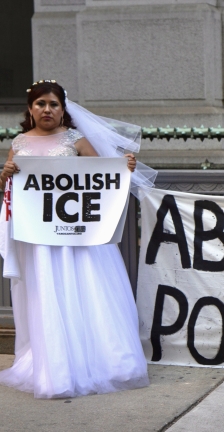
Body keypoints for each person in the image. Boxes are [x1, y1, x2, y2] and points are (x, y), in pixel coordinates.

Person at [0, 80, 156, 398]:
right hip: (37, 239)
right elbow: (11, 188)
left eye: (53, 104)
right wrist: (4, 175)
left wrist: (122, 168)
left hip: (76, 236)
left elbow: (102, 179)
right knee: (47, 293)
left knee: (84, 289)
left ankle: (101, 360)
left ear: (63, 109)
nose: (47, 109)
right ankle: (54, 364)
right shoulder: (18, 143)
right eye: (41, 103)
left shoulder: (76, 139)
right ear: (30, 109)